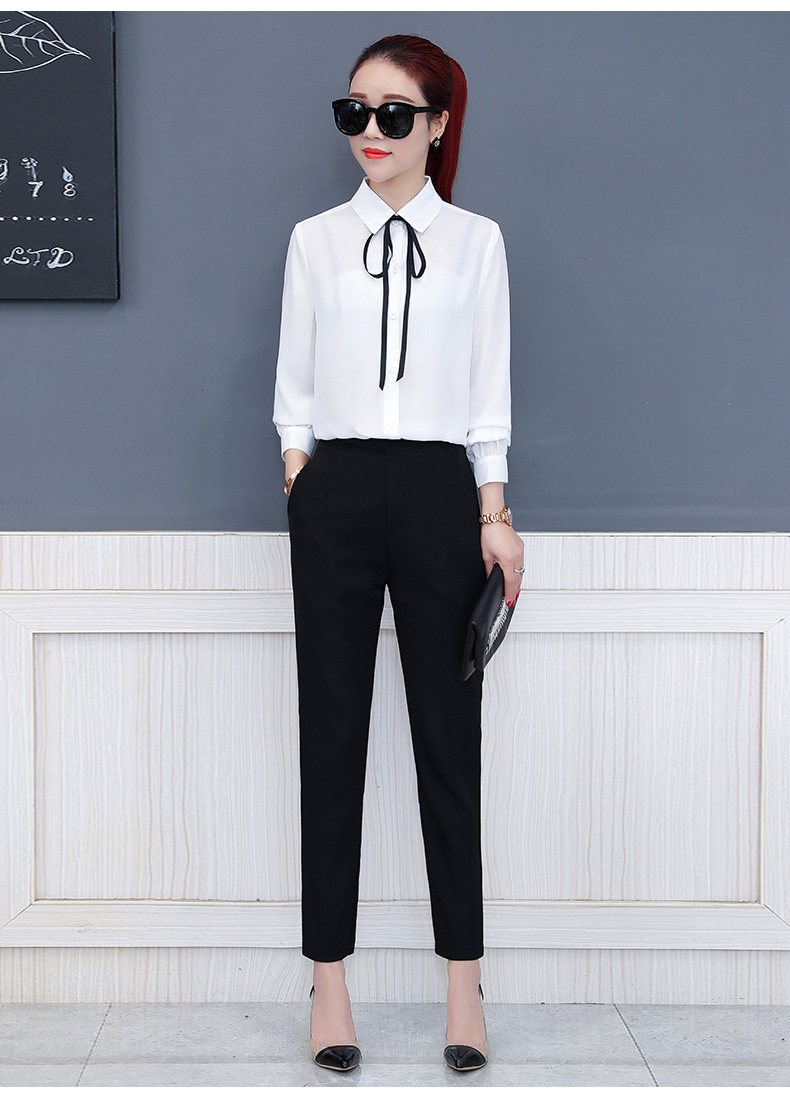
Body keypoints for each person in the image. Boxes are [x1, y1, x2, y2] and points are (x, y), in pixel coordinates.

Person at [272, 33, 524, 1072]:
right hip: (334, 490)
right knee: (330, 737)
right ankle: (328, 984)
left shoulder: (476, 243)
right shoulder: (314, 242)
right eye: (354, 112)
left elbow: (487, 393)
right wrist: (300, 474)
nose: (369, 132)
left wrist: (492, 513)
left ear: (437, 123)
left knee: (447, 743)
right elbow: (291, 387)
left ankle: (463, 985)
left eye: (392, 113)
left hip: (436, 495)